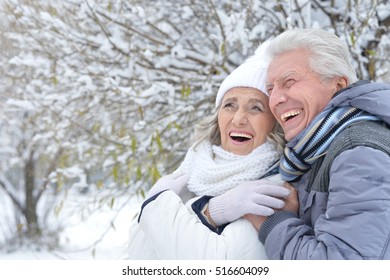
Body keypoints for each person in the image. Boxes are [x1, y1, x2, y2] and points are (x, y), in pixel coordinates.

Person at [235, 28, 390, 259]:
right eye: (270, 89)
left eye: (289, 82)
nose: (275, 100)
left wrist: (276, 224)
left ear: (338, 85)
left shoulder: (359, 153)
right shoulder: (315, 151)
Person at [127, 42, 292, 259]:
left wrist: (157, 204)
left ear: (274, 124)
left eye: (256, 108)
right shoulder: (193, 169)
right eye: (230, 105)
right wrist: (211, 210)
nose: (238, 118)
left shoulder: (273, 187)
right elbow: (139, 250)